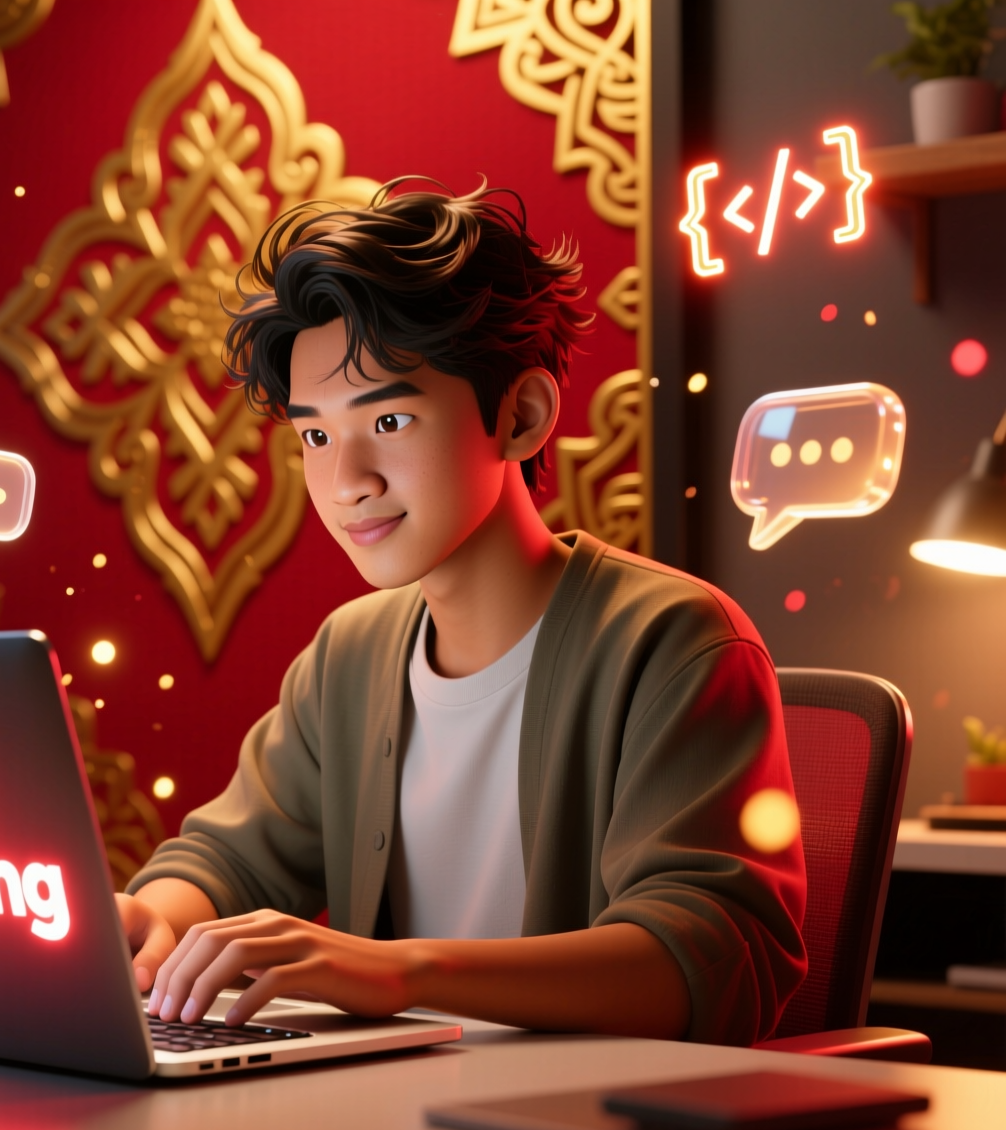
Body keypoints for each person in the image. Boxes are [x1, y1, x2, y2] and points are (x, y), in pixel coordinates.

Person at [115, 179, 806, 1046]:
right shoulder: (351, 653)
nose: (346, 482)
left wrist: (398, 972)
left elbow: (711, 957)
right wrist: (154, 920)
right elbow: (235, 856)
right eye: (316, 437)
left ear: (519, 416)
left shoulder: (671, 641)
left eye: (392, 419)